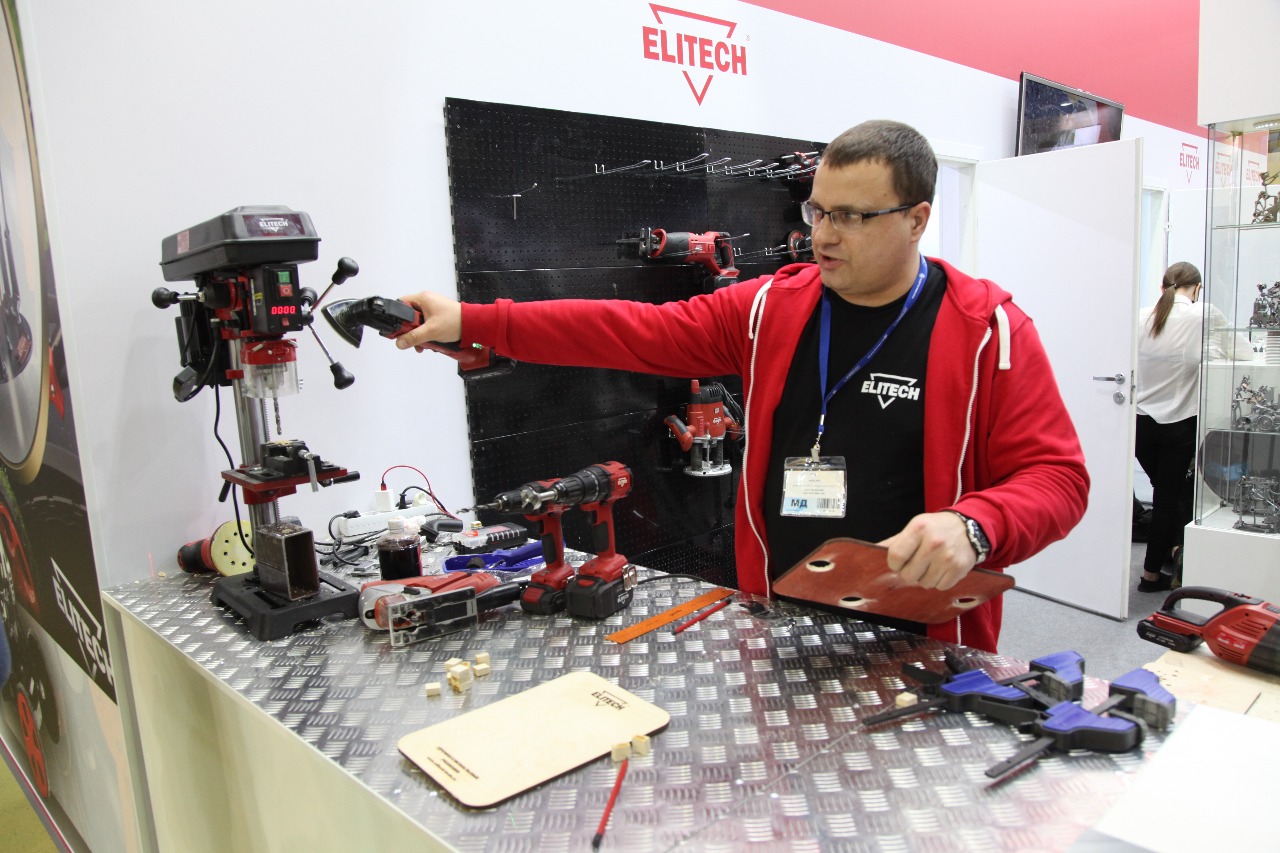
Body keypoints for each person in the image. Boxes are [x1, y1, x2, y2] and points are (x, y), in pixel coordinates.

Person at [397, 120, 1089, 653]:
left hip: (925, 637)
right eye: (818, 211)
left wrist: (976, 525)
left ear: (917, 219)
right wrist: (476, 322)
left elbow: (1058, 479)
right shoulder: (768, 311)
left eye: (852, 216)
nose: (824, 236)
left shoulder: (988, 331)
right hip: (781, 619)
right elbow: (628, 330)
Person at [1134, 261, 1245, 591]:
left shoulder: (1141, 316)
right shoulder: (1203, 313)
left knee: (1169, 493)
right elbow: (1241, 351)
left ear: (1162, 286)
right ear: (1197, 288)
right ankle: (1152, 574)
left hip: (1140, 425)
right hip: (1179, 424)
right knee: (1169, 498)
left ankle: (1175, 552)